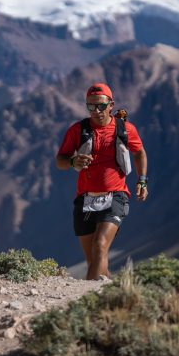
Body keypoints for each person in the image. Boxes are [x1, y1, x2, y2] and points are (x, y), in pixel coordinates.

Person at [56, 83, 148, 281]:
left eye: (101, 106)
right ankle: (115, 293)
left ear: (111, 105)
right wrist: (73, 161)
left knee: (100, 245)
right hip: (85, 198)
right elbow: (60, 161)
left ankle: (85, 302)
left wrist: (142, 180)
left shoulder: (125, 129)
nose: (96, 111)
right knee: (95, 260)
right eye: (91, 107)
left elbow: (139, 152)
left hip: (116, 195)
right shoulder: (78, 130)